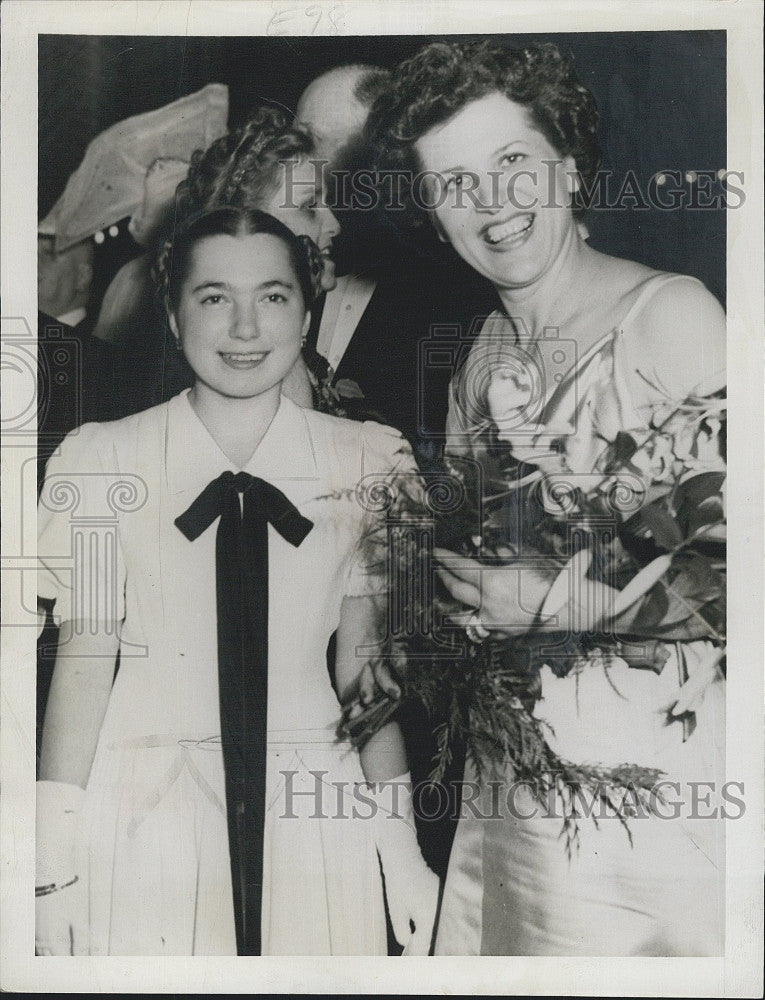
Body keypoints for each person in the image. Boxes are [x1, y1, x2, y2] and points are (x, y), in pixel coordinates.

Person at [370, 39, 726, 956]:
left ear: (567, 166)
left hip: (649, 794)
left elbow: (737, 569)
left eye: (513, 164)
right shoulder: (475, 360)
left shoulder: (671, 315)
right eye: (454, 184)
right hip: (514, 786)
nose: (492, 206)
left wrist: (560, 601)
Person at [35, 207, 439, 956]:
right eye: (215, 297)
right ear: (171, 310)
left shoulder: (367, 461)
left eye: (274, 296)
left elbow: (364, 673)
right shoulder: (103, 460)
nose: (246, 327)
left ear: (308, 309)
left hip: (315, 816)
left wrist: (400, 845)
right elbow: (85, 661)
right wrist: (50, 861)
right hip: (143, 811)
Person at [294, 65, 499, 461]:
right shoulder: (287, 264)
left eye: (310, 141)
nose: (291, 157)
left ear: (378, 155)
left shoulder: (466, 294)